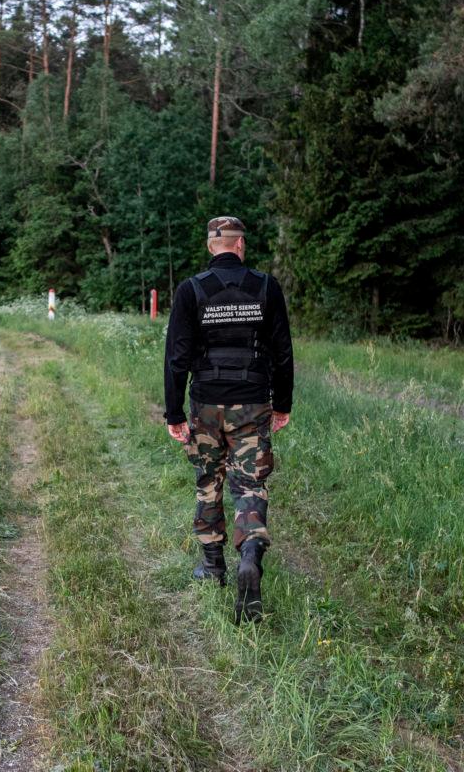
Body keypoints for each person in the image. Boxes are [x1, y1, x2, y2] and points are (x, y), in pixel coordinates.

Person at [164, 216, 293, 623]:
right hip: (253, 403)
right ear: (241, 247)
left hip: (205, 404)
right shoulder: (266, 287)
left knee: (209, 481)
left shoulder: (191, 290)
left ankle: (212, 567)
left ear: (211, 248)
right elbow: (283, 352)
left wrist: (174, 412)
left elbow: (176, 357)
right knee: (250, 483)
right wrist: (282, 404)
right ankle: (250, 554)